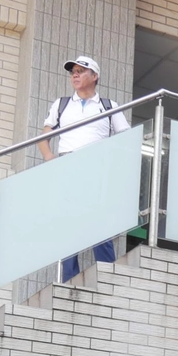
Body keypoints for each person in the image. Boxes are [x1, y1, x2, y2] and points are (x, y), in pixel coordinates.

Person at [37, 55, 131, 282]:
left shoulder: (108, 106)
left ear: (95, 76)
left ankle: (107, 274)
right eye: (73, 72)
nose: (75, 75)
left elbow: (127, 137)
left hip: (95, 167)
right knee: (68, 222)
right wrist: (50, 157)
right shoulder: (61, 104)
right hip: (67, 166)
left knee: (97, 221)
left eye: (81, 71)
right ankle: (68, 278)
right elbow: (45, 135)